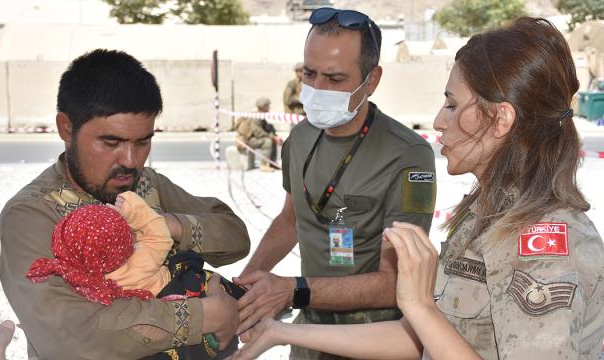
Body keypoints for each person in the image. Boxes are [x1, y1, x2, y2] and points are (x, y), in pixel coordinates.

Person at [230, 17, 604, 360]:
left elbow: (421, 319)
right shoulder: (485, 216)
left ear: (500, 118)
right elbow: (424, 339)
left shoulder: (544, 243)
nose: (439, 121)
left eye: (453, 105)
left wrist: (420, 307)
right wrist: (278, 332)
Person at [0, 49, 251, 359]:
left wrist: (167, 225)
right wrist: (202, 316)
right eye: (111, 142)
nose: (131, 161)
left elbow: (235, 237)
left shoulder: (145, 184)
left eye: (143, 141)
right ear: (66, 128)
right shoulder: (32, 213)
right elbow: (68, 333)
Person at [233, 7, 436, 359]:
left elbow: (396, 283)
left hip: (375, 337)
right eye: (309, 74)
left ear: (371, 80)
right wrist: (248, 286)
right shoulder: (299, 138)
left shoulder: (409, 156)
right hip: (309, 329)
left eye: (335, 78)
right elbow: (290, 220)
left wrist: (293, 290)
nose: (316, 88)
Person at [26, 191, 244, 359]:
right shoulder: (141, 258)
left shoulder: (85, 281)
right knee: (206, 277)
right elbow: (159, 234)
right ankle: (243, 301)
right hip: (181, 292)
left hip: (152, 325)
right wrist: (133, 208)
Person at [235, 97, 283, 172]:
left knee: (271, 139)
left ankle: (272, 163)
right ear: (262, 107)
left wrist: (275, 136)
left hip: (253, 139)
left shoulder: (261, 116)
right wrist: (273, 137)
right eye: (267, 106)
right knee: (267, 141)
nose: (269, 108)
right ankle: (263, 165)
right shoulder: (255, 118)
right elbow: (259, 133)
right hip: (247, 140)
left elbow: (268, 128)